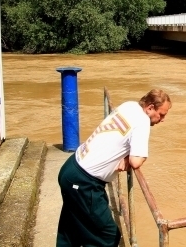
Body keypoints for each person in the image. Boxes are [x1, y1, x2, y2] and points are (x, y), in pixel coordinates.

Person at [56, 89, 171, 247]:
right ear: (150, 108)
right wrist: (133, 157)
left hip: (71, 169)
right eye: (162, 114)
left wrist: (125, 156)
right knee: (107, 235)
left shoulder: (129, 106)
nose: (162, 120)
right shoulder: (143, 121)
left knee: (71, 230)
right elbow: (136, 161)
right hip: (85, 183)